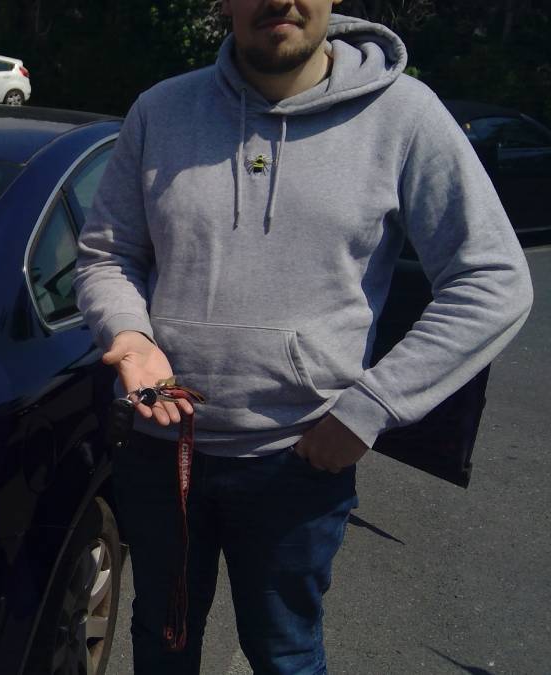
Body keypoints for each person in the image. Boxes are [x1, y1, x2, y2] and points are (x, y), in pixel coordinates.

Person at [73, 0, 533, 673]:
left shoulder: (403, 114)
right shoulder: (160, 111)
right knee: (161, 642)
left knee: (284, 654)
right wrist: (131, 334)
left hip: (301, 463)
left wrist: (370, 408)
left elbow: (493, 279)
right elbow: (108, 254)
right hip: (162, 448)